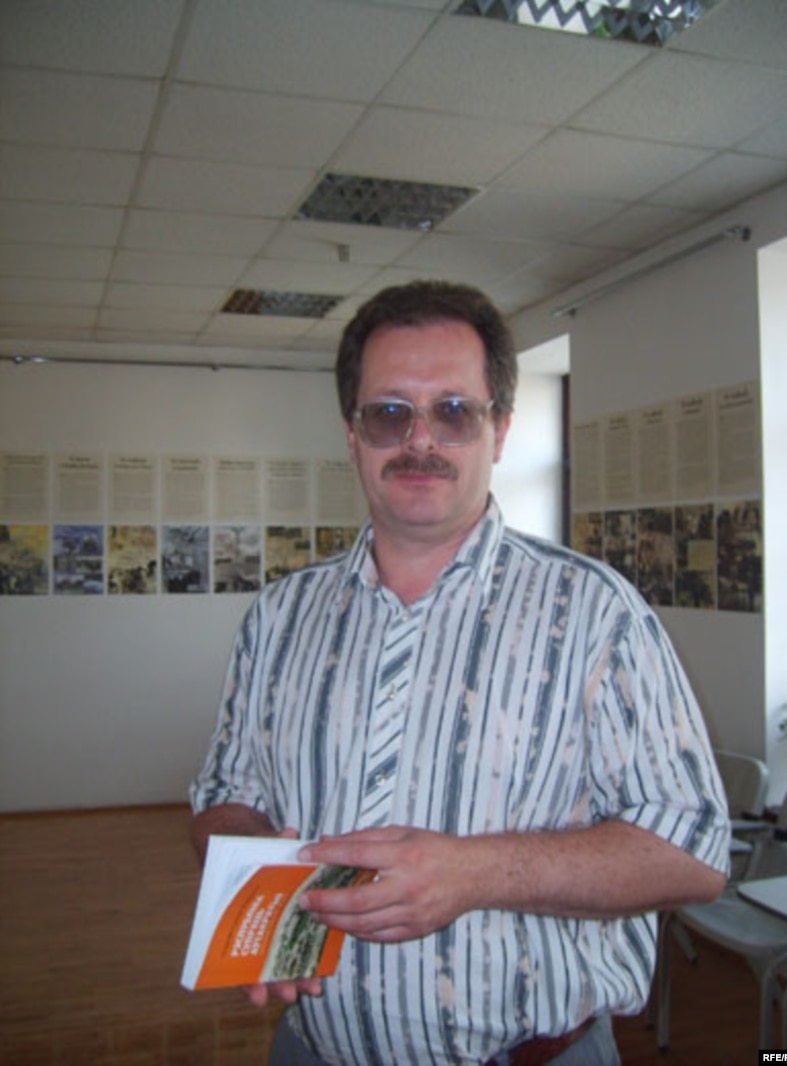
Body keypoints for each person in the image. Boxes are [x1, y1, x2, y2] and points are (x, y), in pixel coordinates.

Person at [190, 280, 730, 1066]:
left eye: (453, 411)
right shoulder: (279, 616)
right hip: (309, 1048)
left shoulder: (594, 612)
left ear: (498, 430)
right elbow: (222, 798)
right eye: (390, 413)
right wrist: (259, 883)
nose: (421, 440)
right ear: (352, 435)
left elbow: (693, 848)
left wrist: (473, 873)